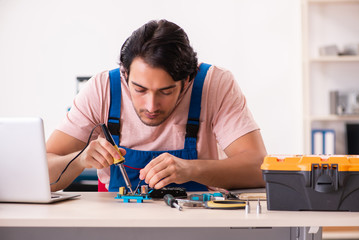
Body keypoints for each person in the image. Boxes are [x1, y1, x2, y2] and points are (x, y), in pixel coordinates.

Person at [46, 19, 267, 192]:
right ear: (125, 75)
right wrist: (78, 160)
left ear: (188, 80)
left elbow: (258, 168)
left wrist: (191, 169)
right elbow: (42, 173)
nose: (151, 106)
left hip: (195, 220)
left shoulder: (214, 84)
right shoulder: (102, 89)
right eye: (139, 90)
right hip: (116, 220)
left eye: (166, 91)